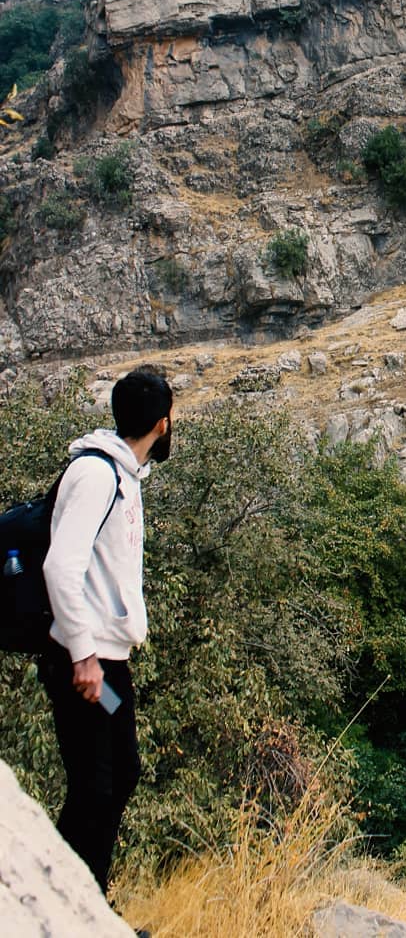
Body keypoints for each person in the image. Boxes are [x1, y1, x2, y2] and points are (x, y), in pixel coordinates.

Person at [38, 367, 173, 897]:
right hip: (84, 667)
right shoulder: (97, 476)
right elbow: (59, 568)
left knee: (122, 772)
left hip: (110, 666)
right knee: (95, 786)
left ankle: (87, 899)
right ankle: (68, 903)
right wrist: (83, 656)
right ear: (163, 424)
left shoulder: (124, 474)